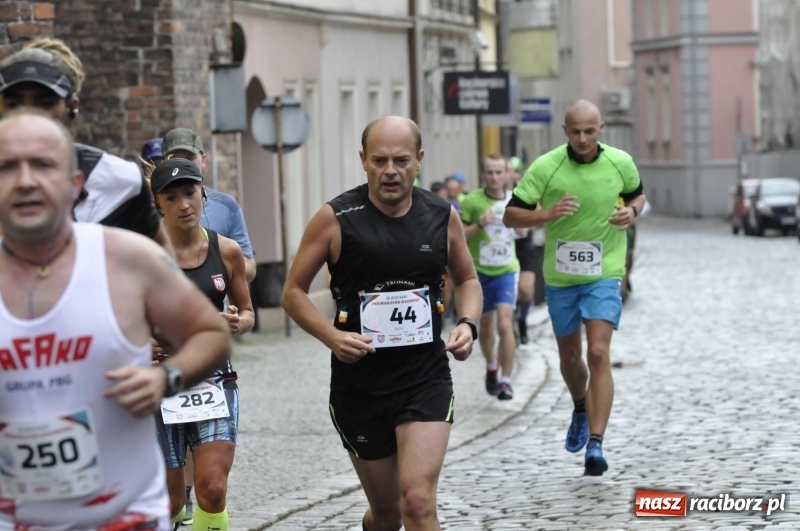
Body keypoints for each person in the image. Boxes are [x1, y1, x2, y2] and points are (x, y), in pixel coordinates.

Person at [0, 110, 230, 530]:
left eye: (43, 165)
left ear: (75, 186)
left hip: (125, 516)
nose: (26, 180)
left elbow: (210, 333)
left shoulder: (125, 256)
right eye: (7, 167)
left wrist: (167, 379)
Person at [281, 115, 482, 530]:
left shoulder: (441, 215)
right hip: (361, 387)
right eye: (380, 160)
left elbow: (467, 279)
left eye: (401, 160)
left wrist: (468, 323)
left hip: (424, 377)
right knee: (388, 514)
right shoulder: (336, 218)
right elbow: (292, 292)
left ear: (420, 160)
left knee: (417, 500)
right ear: (364, 161)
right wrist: (332, 336)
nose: (391, 171)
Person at [503, 99, 645, 476]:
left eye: (589, 131)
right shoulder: (546, 168)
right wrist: (546, 214)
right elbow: (510, 214)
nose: (582, 138)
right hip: (562, 278)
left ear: (601, 130)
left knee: (598, 353)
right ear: (565, 131)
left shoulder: (620, 161)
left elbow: (637, 195)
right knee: (570, 358)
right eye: (575, 131)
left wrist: (632, 212)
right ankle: (580, 406)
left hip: (604, 272)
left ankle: (596, 445)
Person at [148, 158, 254, 531]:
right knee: (171, 497)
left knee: (212, 487)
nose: (184, 205)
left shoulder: (226, 252)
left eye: (190, 193)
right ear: (159, 203)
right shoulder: (143, 254)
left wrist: (238, 322)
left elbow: (247, 313)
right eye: (171, 197)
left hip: (213, 379)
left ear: (203, 193)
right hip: (160, 379)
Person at [0, 38, 172, 252]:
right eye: (14, 103)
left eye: (45, 103)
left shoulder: (119, 180)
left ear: (72, 106)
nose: (29, 115)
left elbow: (162, 253)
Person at [161, 127, 256, 284]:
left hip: (216, 306)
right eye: (174, 159)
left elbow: (250, 269)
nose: (184, 206)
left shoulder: (226, 206)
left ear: (203, 160)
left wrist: (213, 262)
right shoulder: (148, 209)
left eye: (189, 158)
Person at [460, 154, 520, 400]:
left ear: (507, 174)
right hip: (480, 272)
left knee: (505, 324)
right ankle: (491, 365)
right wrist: (479, 225)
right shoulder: (473, 201)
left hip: (507, 270)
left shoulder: (516, 200)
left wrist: (523, 227)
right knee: (485, 328)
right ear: (483, 175)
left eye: (499, 172)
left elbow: (526, 228)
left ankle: (506, 381)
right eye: (490, 172)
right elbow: (460, 235)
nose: (495, 177)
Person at [508, 155, 536, 346]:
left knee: (525, 290)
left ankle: (523, 320)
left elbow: (539, 214)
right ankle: (511, 328)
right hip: (506, 247)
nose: (513, 175)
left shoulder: (526, 192)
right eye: (510, 170)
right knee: (511, 293)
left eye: (517, 171)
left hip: (525, 246)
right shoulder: (495, 195)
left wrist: (527, 224)